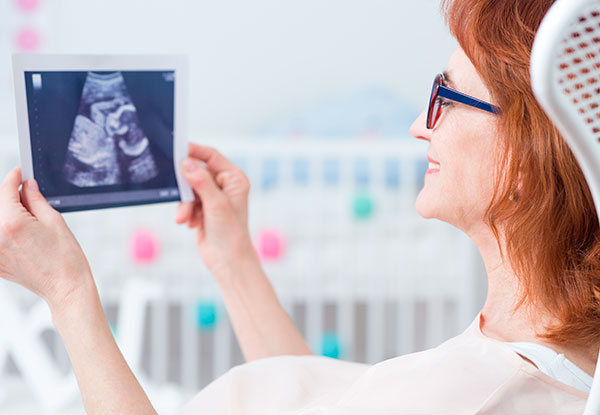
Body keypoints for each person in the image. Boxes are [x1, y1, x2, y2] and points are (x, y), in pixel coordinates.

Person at [0, 0, 598, 413]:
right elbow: (312, 398)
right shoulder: (542, 358)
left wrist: (67, 290)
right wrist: (233, 257)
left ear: (527, 157)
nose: (420, 125)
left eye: (447, 96)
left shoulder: (471, 393)